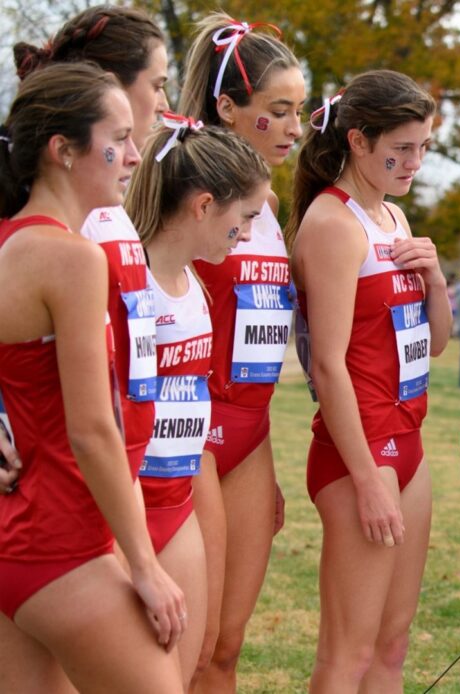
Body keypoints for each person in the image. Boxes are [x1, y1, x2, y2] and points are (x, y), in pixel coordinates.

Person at [0, 61, 184, 693]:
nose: (134, 156)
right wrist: (143, 565)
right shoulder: (71, 256)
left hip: (23, 538)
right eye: (120, 138)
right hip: (61, 542)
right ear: (62, 150)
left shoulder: (12, 241)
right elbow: (92, 431)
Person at [286, 69, 450, 692]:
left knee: (393, 644)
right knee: (347, 654)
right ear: (358, 141)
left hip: (407, 441)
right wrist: (366, 480)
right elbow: (326, 364)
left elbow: (432, 344)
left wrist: (435, 279)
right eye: (401, 148)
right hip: (360, 451)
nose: (414, 162)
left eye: (424, 147)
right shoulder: (333, 224)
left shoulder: (394, 217)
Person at [178, 14, 305, 688]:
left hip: (250, 437)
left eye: (300, 111)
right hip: (189, 431)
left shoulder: (269, 206)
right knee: (190, 647)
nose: (294, 127)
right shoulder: (182, 196)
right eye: (277, 111)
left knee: (227, 647)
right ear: (227, 107)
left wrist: (270, 464)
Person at [126, 120, 272, 690]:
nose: (248, 231)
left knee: (201, 650)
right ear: (205, 205)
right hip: (130, 507)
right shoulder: (128, 279)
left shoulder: (195, 282)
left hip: (180, 501)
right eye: (246, 217)